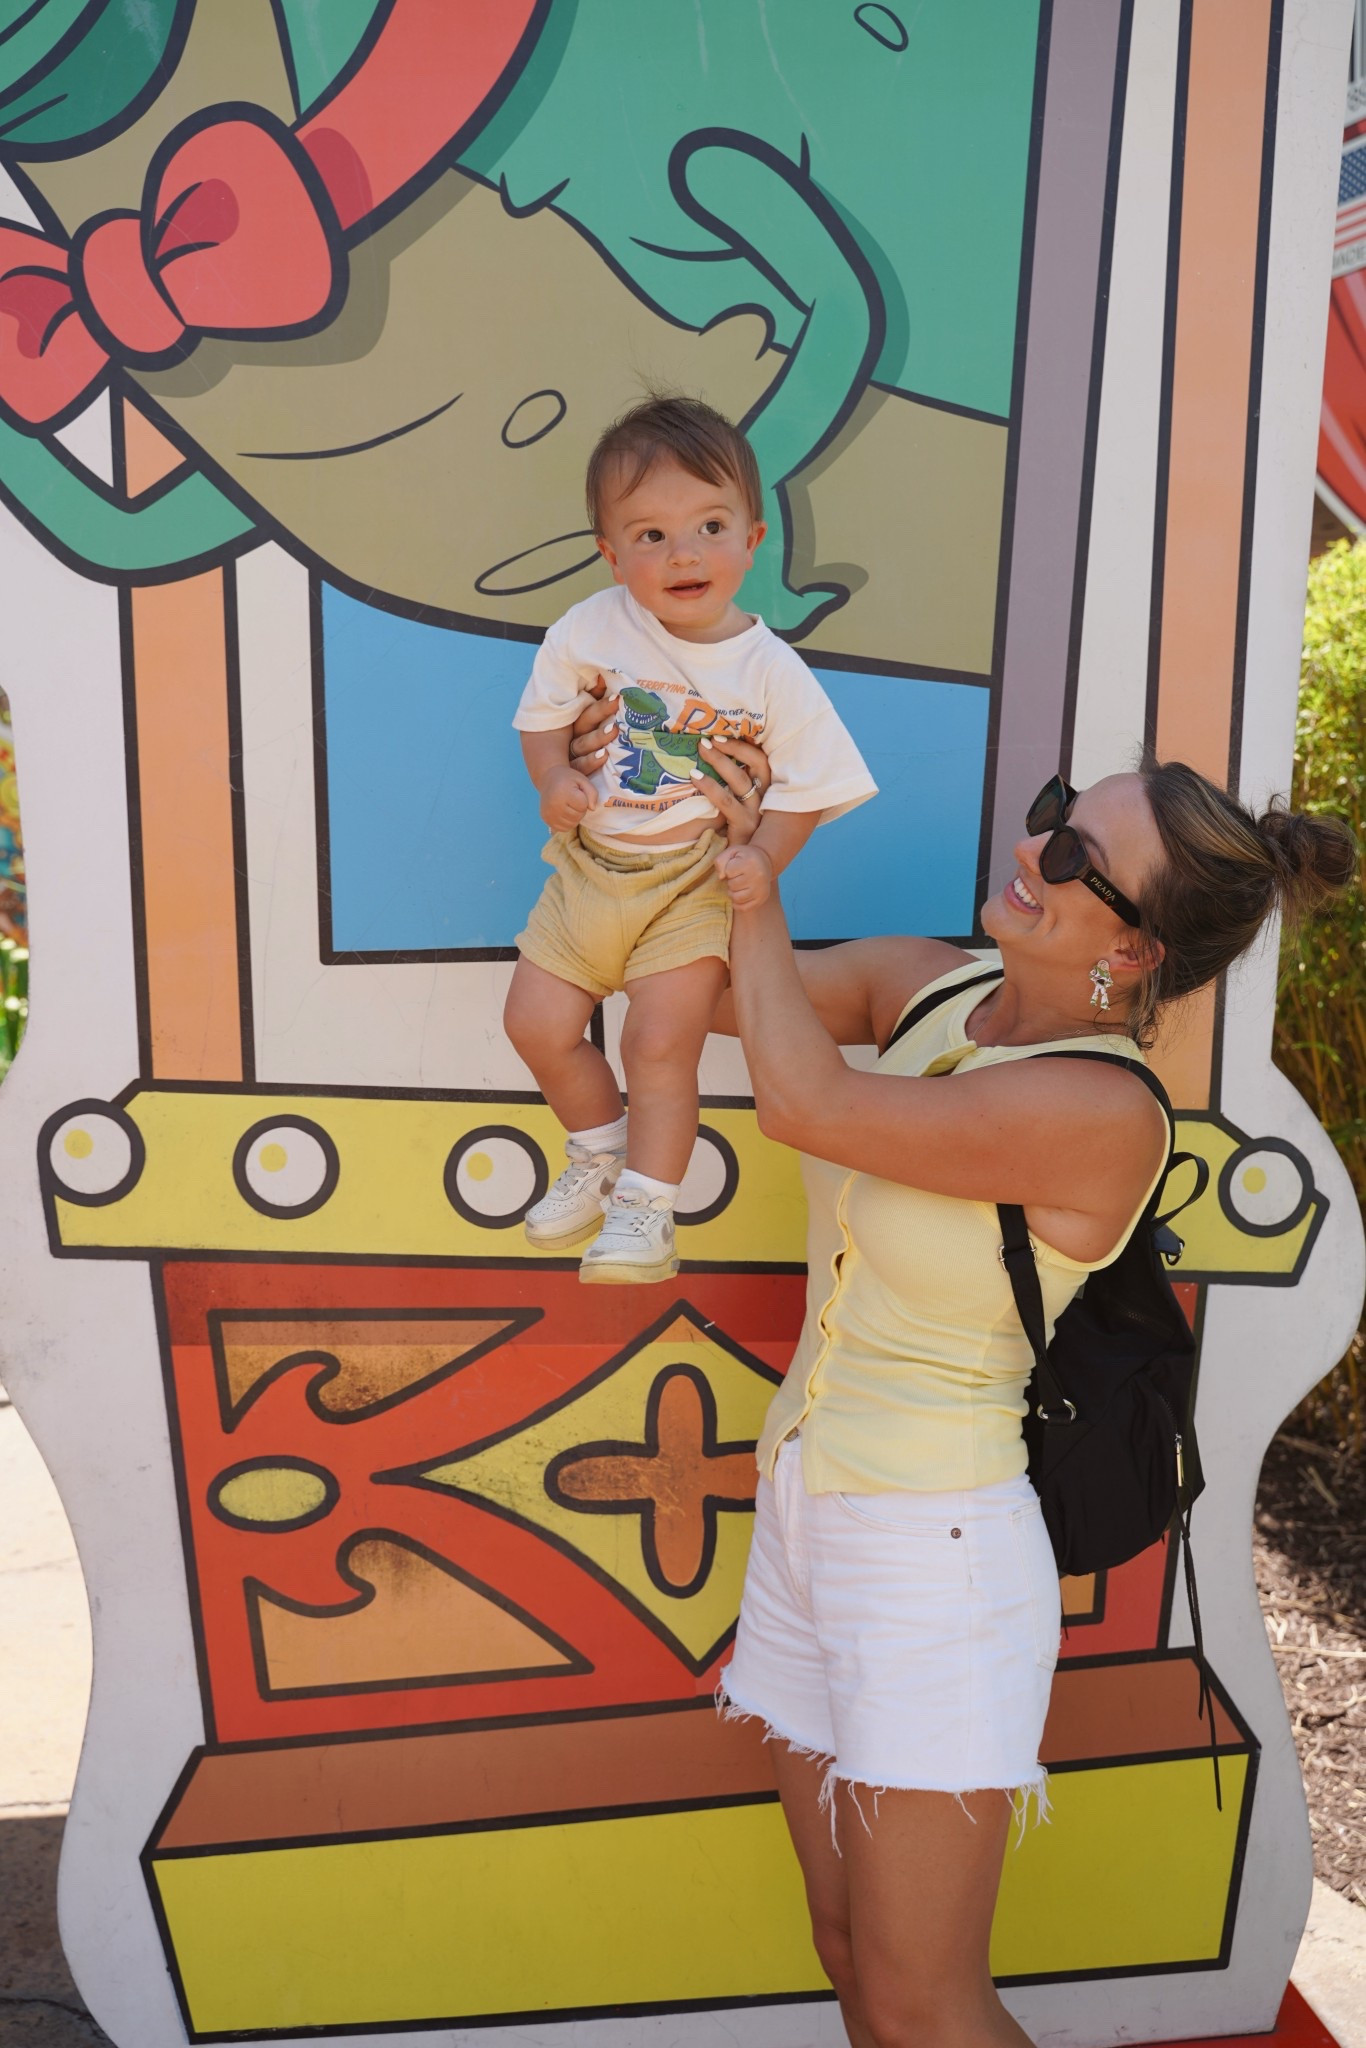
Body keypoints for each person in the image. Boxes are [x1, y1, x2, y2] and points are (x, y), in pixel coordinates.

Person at [568, 687, 1357, 2046]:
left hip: (934, 1561)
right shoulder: (930, 988)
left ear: (1136, 948)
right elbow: (690, 994)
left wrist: (757, 897)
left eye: (1072, 857)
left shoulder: (1099, 1109)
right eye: (1055, 816)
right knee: (848, 1956)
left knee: (926, 1999)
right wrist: (664, 808)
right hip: (810, 1513)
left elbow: (807, 1098)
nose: (1030, 849)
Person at [505, 395, 876, 1284]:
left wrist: (763, 859)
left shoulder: (771, 673)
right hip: (589, 872)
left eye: (710, 526)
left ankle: (647, 1207)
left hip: (689, 884)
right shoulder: (592, 629)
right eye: (651, 536)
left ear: (752, 539)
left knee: (657, 1042)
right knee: (536, 1021)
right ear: (611, 554)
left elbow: (813, 788)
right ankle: (597, 1152)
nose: (685, 554)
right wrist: (554, 778)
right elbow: (541, 719)